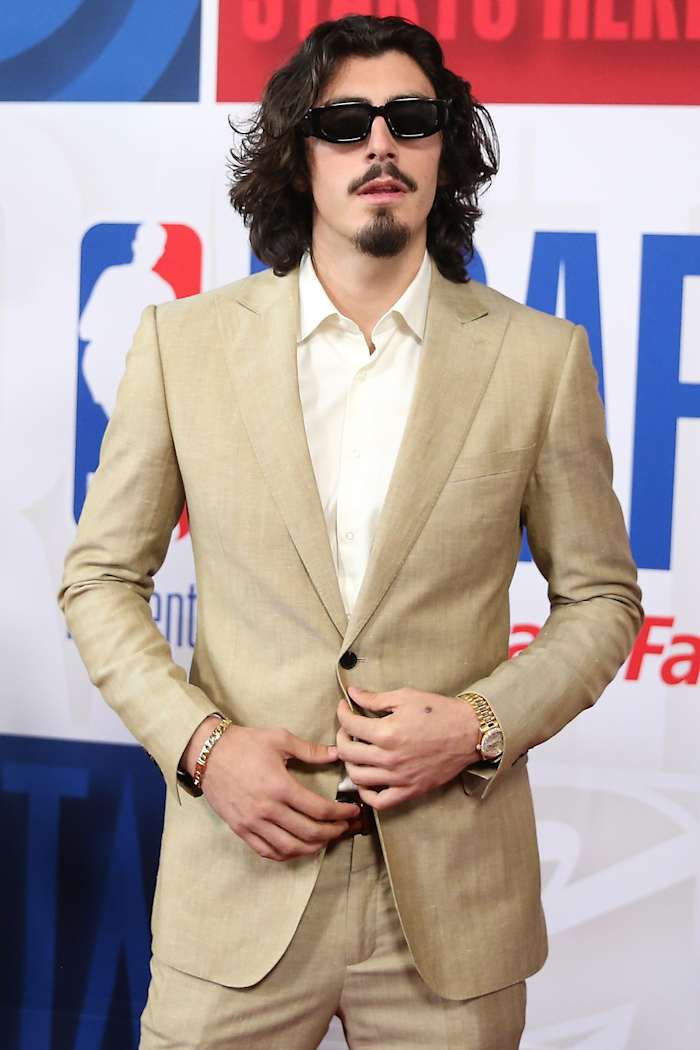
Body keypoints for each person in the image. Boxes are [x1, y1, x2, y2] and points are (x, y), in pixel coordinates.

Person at [58, 14, 643, 1049]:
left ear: (442, 151)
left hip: (453, 910)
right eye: (344, 122)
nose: (380, 143)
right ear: (300, 155)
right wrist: (202, 750)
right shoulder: (181, 345)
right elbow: (100, 577)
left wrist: (479, 725)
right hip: (237, 887)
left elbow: (599, 601)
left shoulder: (538, 358)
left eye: (410, 119)